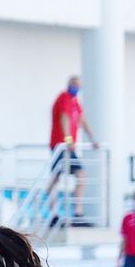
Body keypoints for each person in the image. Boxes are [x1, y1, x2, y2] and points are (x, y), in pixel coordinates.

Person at [48, 75, 97, 223]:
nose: (77, 87)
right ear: (69, 83)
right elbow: (64, 118)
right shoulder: (64, 97)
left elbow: (82, 120)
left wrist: (93, 139)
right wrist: (69, 140)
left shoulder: (75, 101)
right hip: (62, 146)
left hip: (67, 147)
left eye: (79, 85)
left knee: (58, 178)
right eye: (74, 84)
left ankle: (74, 212)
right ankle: (66, 212)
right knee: (73, 176)